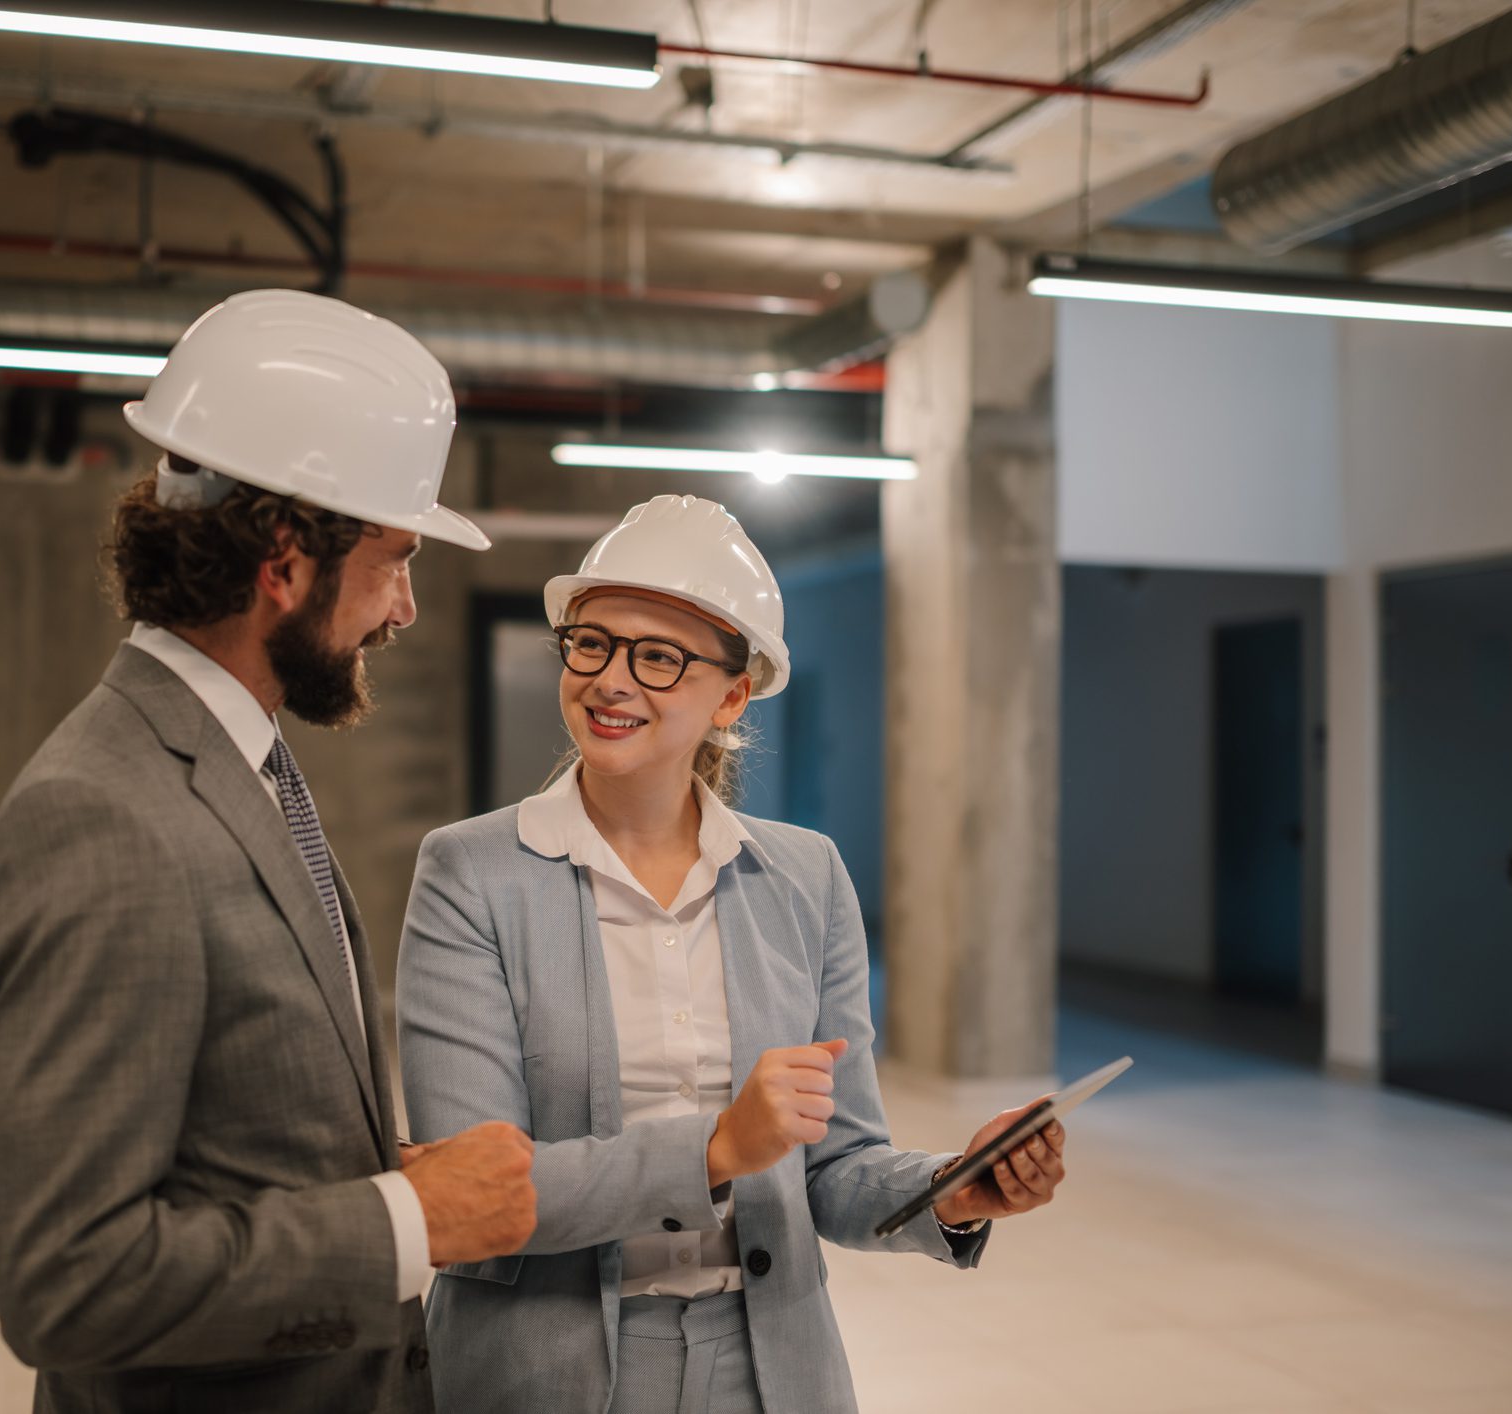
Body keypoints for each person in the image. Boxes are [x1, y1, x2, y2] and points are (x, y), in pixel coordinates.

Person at [0, 289, 538, 1414]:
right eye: (393, 560)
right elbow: (66, 1280)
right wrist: (404, 1224)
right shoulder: (105, 814)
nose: (406, 608)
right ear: (285, 559)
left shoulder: (240, 761)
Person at [396, 494, 1069, 1414]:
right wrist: (717, 1148)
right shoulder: (470, 874)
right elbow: (473, 1199)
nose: (609, 680)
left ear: (732, 694)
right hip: (542, 1369)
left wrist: (948, 1191)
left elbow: (833, 1169)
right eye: (591, 643)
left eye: (658, 657)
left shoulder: (804, 877)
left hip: (766, 1368)